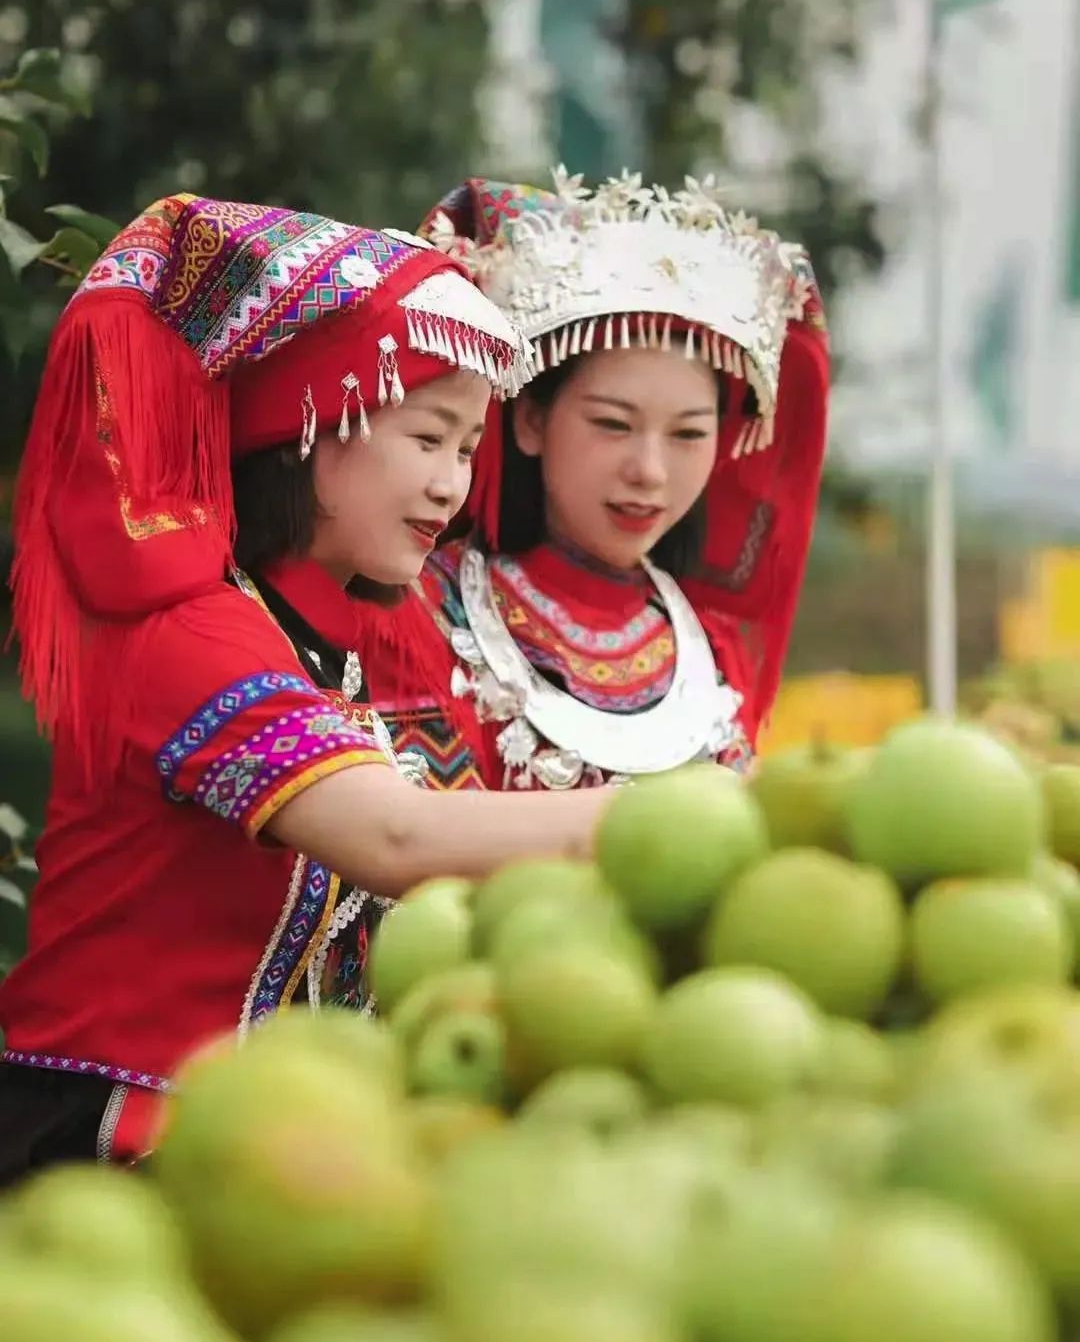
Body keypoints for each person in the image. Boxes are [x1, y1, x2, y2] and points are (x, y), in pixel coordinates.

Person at [0, 192, 608, 1180]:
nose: (455, 485)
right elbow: (394, 835)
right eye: (426, 439)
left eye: (465, 448)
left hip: (258, 1138)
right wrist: (675, 815)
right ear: (311, 419)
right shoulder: (190, 636)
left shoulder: (350, 642)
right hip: (108, 1142)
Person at [364, 172, 830, 792]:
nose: (650, 471)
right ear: (530, 420)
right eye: (613, 424)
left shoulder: (712, 652)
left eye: (689, 434)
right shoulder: (416, 617)